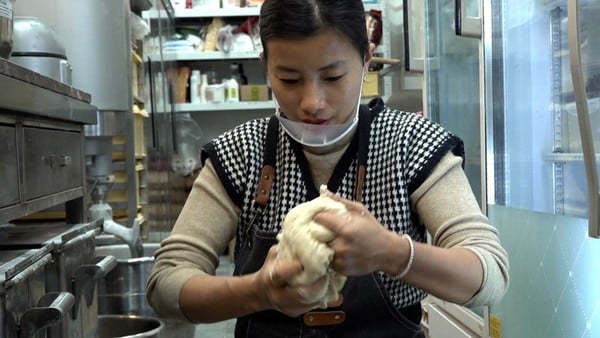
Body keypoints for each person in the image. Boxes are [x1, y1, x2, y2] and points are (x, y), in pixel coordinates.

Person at [146, 0, 510, 337]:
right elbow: (165, 284)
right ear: (266, 67)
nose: (312, 102)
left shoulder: (410, 144)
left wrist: (391, 252)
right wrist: (258, 291)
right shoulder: (241, 153)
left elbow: (489, 274)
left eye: (334, 77)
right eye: (288, 79)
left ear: (366, 59)